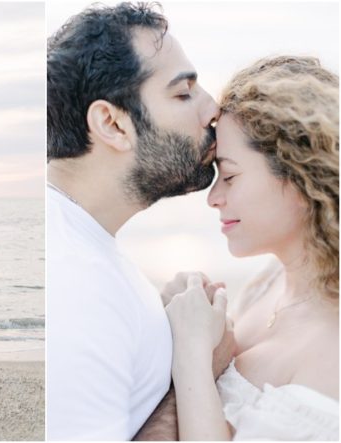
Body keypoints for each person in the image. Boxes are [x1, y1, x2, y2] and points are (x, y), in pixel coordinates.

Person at [44, 3, 232, 439]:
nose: (213, 109)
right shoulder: (74, 282)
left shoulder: (86, 250)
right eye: (183, 93)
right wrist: (198, 362)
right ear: (112, 124)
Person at [165, 55, 338, 440]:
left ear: (299, 175)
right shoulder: (268, 283)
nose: (214, 198)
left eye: (229, 176)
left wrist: (190, 352)